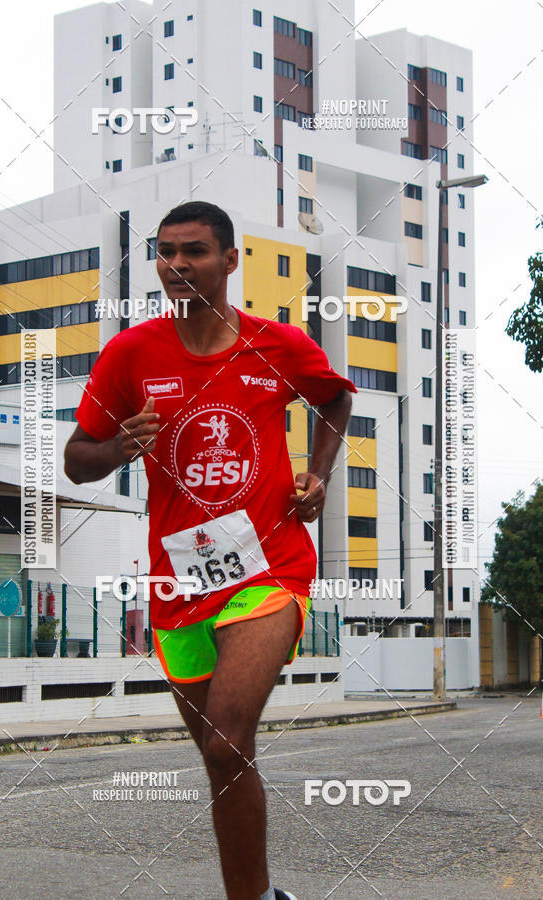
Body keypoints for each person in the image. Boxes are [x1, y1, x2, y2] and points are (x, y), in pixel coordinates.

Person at [64, 201, 356, 900]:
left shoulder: (278, 346)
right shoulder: (130, 355)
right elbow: (76, 461)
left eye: (194, 251)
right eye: (165, 252)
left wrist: (318, 474)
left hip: (269, 566)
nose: (177, 265)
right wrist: (117, 447)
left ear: (229, 260)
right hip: (178, 583)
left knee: (225, 740)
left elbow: (334, 399)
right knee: (222, 758)